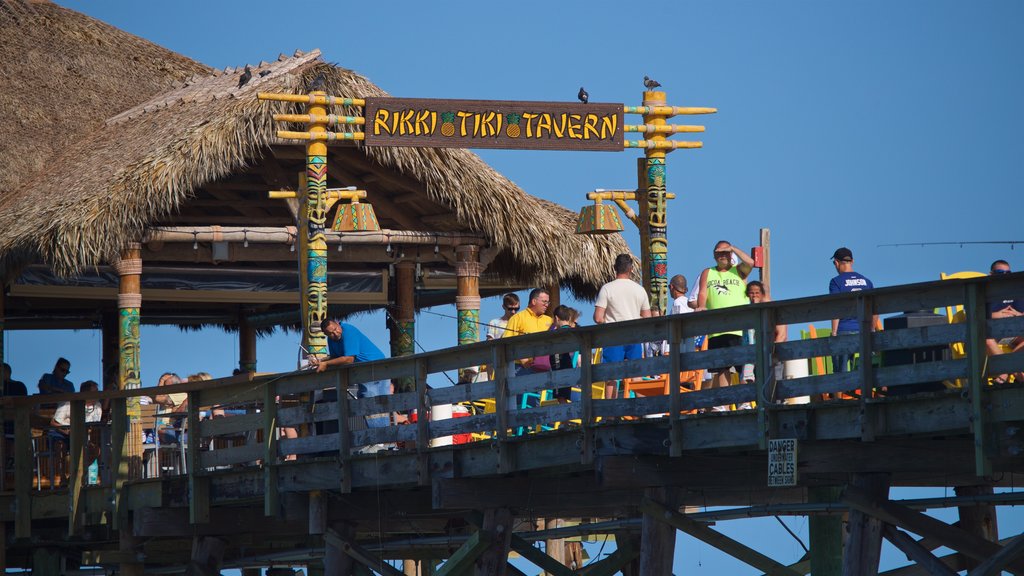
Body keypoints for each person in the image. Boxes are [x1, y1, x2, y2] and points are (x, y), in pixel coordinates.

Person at [314, 319, 393, 429]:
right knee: (366, 404)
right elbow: (336, 357)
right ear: (326, 334)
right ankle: (378, 438)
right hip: (363, 372)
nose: (335, 334)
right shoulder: (331, 340)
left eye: (336, 329)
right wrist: (321, 361)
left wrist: (326, 364)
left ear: (338, 323)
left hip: (375, 369)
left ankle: (381, 439)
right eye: (330, 333)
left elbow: (348, 359)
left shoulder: (348, 331)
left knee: (373, 403)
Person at [697, 240, 754, 392]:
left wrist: (733, 248)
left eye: (725, 252)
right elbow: (702, 292)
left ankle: (745, 401)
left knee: (743, 367)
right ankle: (725, 402)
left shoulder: (739, 270)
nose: (722, 256)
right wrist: (701, 306)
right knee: (722, 368)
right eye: (719, 253)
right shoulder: (708, 272)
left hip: (738, 327)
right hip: (716, 328)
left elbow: (750, 262)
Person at [593, 254, 651, 398]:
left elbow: (598, 318)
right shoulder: (639, 289)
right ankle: (641, 410)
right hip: (634, 335)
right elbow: (647, 317)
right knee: (636, 375)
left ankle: (611, 414)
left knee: (611, 377)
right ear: (631, 269)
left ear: (614, 269)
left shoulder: (607, 288)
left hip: (613, 336)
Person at [828, 247, 875, 373]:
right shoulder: (867, 282)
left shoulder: (836, 282)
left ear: (837, 263)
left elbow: (836, 309)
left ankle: (840, 391)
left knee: (840, 374)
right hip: (864, 332)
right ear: (852, 261)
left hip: (844, 330)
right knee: (866, 371)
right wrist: (872, 330)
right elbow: (875, 311)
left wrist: (834, 333)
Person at [742, 281, 788, 384]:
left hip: (771, 353)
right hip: (753, 353)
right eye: (751, 292)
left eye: (758, 292)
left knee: (774, 383)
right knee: (751, 381)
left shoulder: (772, 308)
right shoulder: (750, 311)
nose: (754, 296)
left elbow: (782, 334)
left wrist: (773, 353)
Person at [987, 260, 1024, 383]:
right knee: (987, 340)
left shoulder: (1015, 292)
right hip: (991, 334)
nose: (1004, 275)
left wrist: (1018, 314)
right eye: (999, 272)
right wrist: (996, 315)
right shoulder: (983, 291)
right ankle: (1015, 373)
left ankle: (1005, 370)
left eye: (1008, 273)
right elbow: (972, 313)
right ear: (991, 274)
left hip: (1011, 334)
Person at [501, 288, 553, 376]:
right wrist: (522, 359)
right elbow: (507, 343)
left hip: (545, 367)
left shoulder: (550, 320)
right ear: (534, 301)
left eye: (548, 302)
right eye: (544, 302)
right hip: (521, 367)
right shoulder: (517, 318)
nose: (546, 305)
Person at [548, 305, 580, 403]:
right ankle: (566, 417)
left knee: (560, 396)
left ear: (556, 318)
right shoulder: (573, 331)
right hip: (568, 364)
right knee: (565, 395)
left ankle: (565, 418)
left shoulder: (555, 333)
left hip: (558, 365)